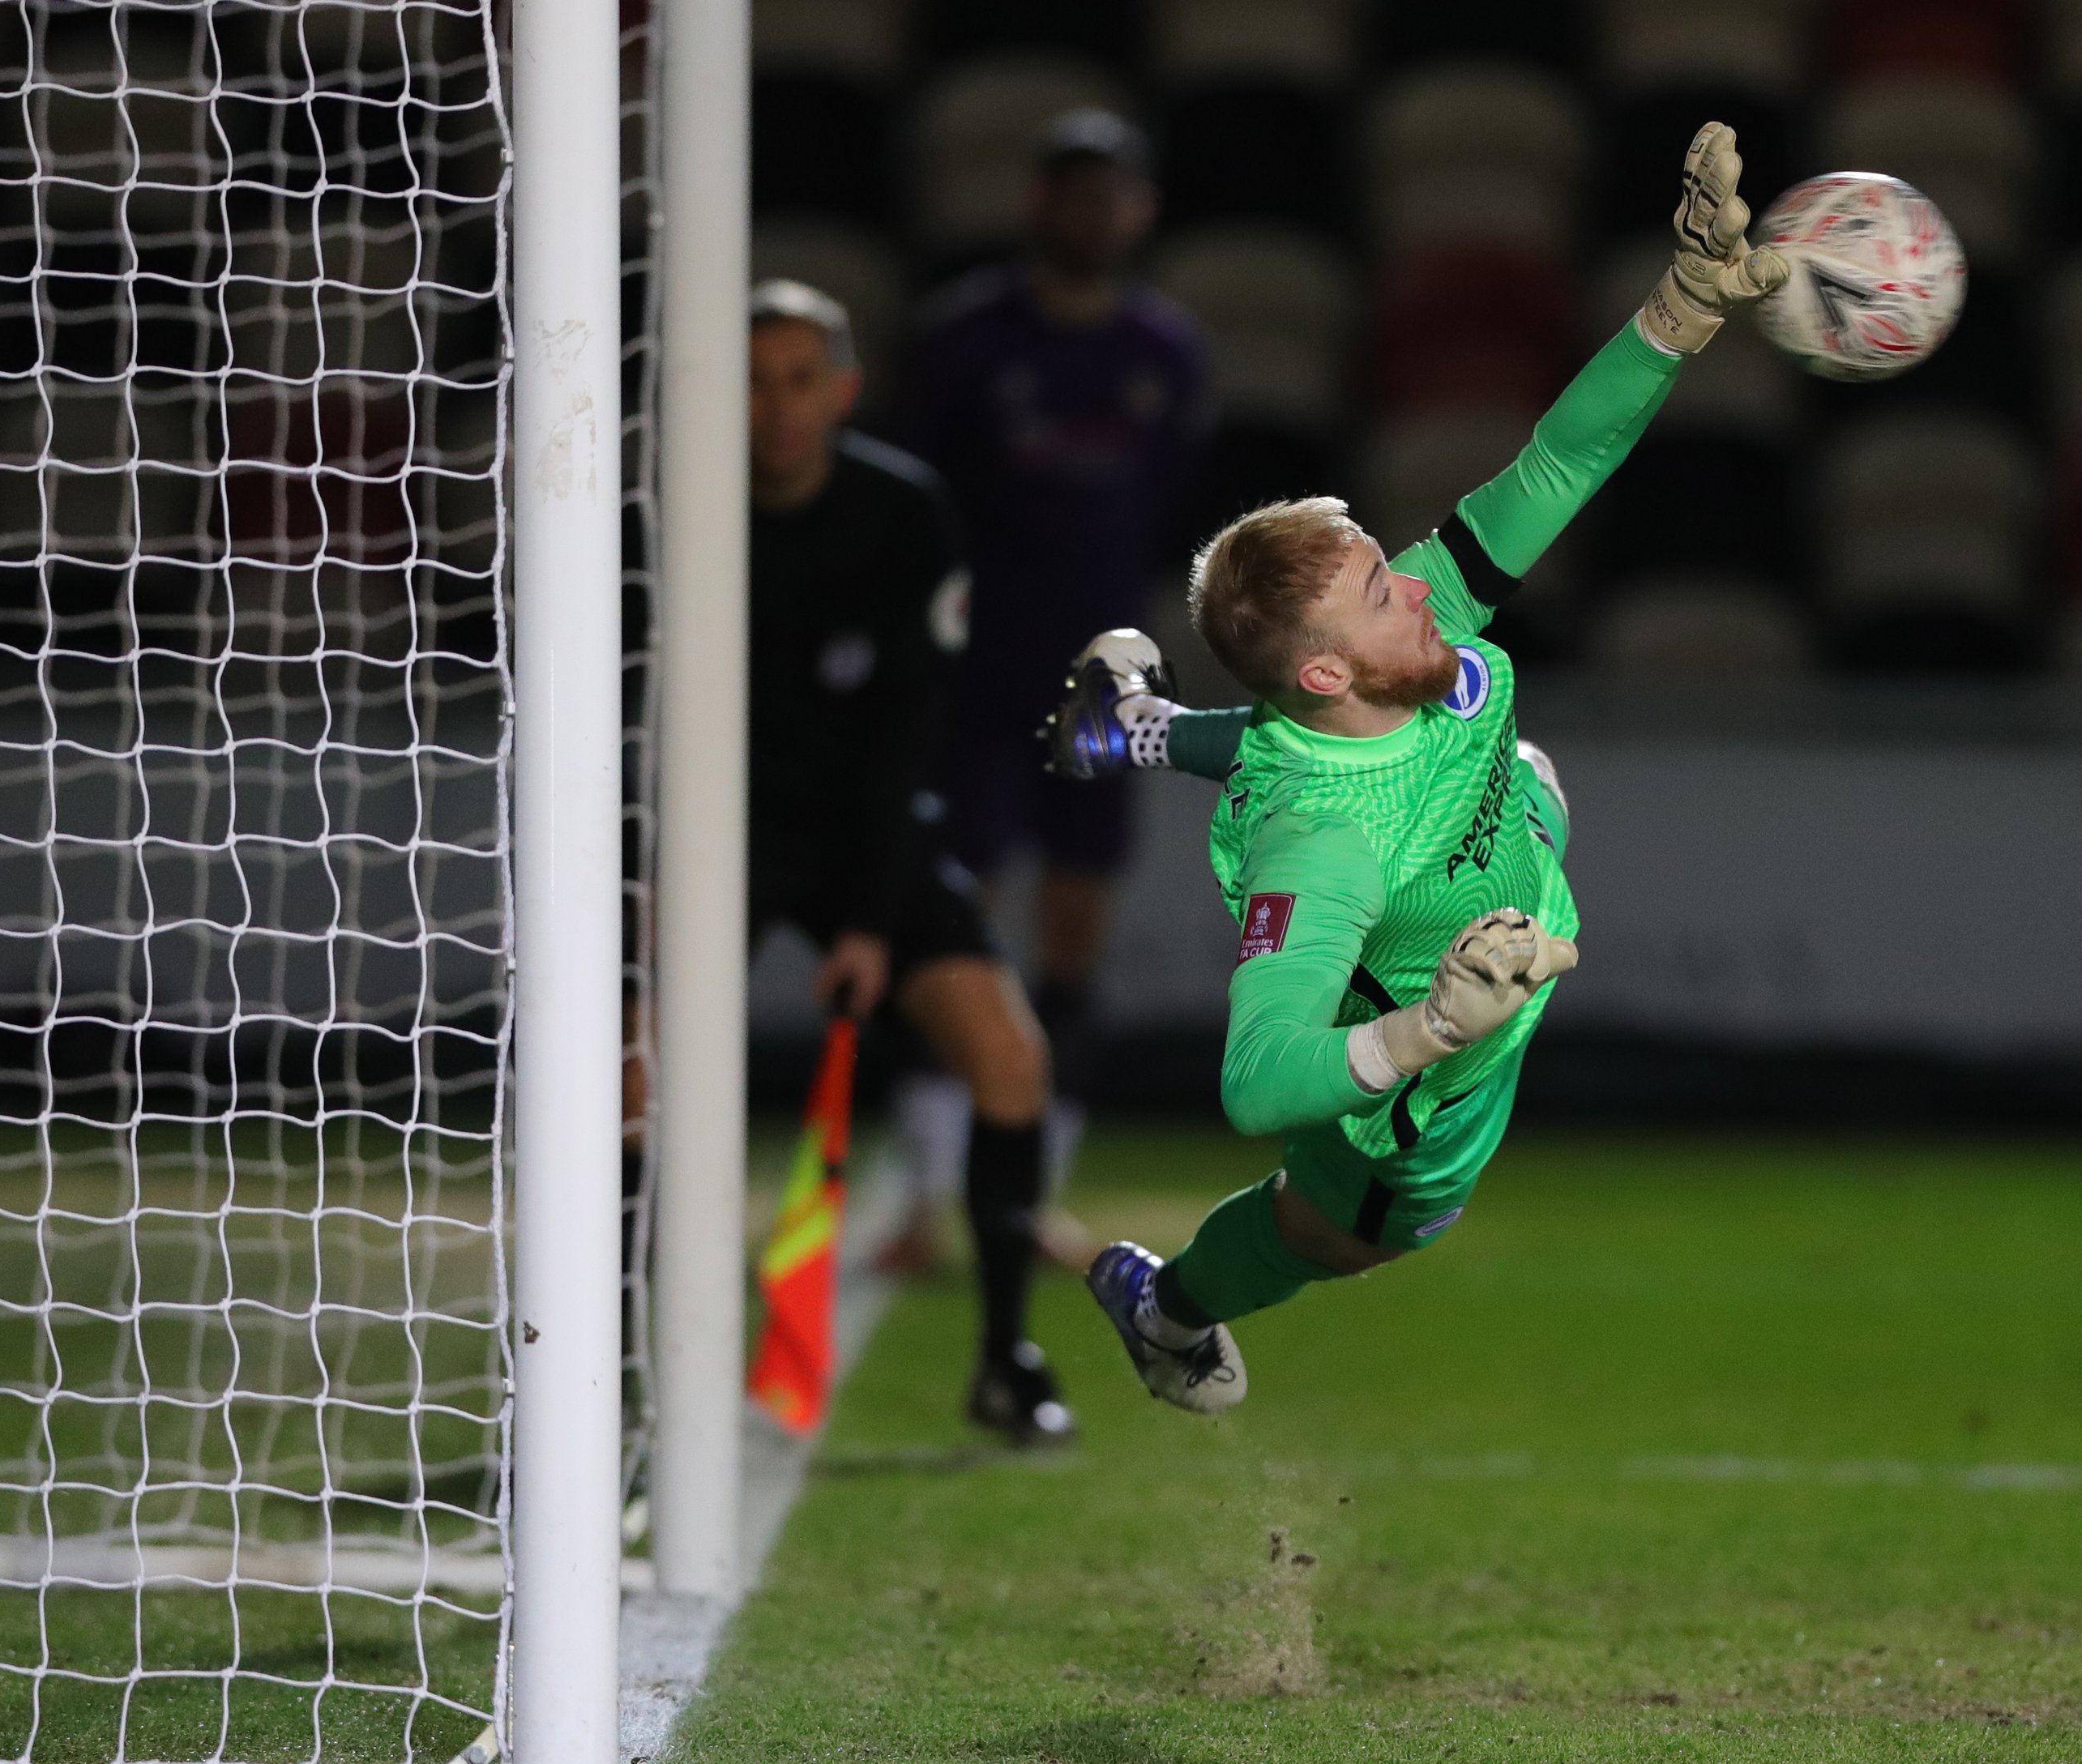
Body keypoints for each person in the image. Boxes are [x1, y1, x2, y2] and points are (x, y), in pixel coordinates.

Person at [1046, 126, 1789, 1411]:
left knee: (1524, 772)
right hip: (1423, 1091)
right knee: (1336, 1236)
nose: (1425, 591)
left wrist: (1679, 313)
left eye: (1392, 569)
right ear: (1329, 669)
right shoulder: (1320, 847)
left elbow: (1560, 460)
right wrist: (1433, 1025)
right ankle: (1164, 1309)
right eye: (1387, 596)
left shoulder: (1401, 637)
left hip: (1490, 891)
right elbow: (1254, 1080)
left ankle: (1136, 727)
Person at [739, 279, 1074, 1446]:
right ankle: (619, 1382)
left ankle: (1005, 1359)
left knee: (1008, 1057)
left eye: (797, 380)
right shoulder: (668, 511)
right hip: (705, 835)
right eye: (751, 380)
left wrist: (872, 922)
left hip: (860, 828)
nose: (775, 409)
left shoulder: (902, 512)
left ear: (842, 390)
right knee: (631, 1084)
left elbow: (905, 730)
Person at [901, 108, 1211, 1181]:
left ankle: (1039, 1166)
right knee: (954, 913)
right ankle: (933, 1164)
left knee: (1077, 914)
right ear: (1037, 203)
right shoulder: (965, 342)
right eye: (1072, 190)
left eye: (1110, 192)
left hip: (1104, 675)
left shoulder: (1164, 353)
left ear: (1140, 210)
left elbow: (1172, 508)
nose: (1091, 213)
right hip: (979, 670)